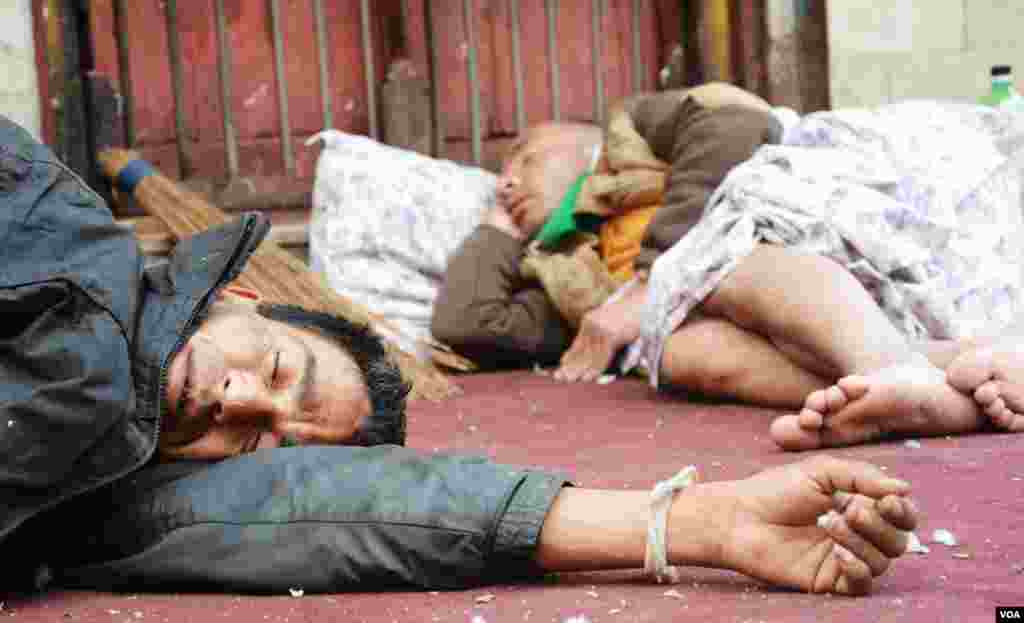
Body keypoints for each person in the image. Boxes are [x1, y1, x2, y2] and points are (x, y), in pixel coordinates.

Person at [0, 115, 919, 596]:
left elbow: (351, 508)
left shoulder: (115, 503)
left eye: (255, 444)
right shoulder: (57, 225)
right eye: (280, 373)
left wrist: (701, 525)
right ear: (239, 298)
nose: (239, 406)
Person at [432, 86, 1024, 450]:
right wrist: (497, 227)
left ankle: (892, 368)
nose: (508, 178)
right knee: (683, 356)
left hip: (789, 221)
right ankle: (930, 384)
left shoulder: (632, 133)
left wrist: (648, 281)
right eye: (499, 177)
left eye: (525, 158)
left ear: (574, 142)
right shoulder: (563, 265)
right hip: (747, 307)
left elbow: (734, 124)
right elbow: (469, 323)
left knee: (724, 258)